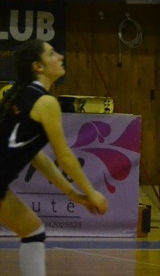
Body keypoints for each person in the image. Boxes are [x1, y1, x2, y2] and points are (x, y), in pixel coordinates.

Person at [0, 40, 109, 275]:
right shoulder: (46, 102)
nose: (60, 57)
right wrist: (91, 193)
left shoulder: (22, 94)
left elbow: (37, 157)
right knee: (32, 232)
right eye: (52, 53)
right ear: (38, 66)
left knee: (32, 232)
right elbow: (65, 156)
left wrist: (72, 193)